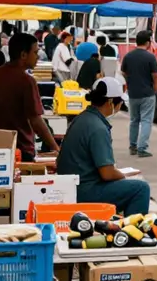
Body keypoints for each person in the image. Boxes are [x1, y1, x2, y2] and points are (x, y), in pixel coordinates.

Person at [57, 78, 150, 217]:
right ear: (111, 102)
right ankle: (131, 233)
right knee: (141, 188)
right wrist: (124, 176)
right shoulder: (98, 128)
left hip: (73, 185)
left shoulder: (82, 118)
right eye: (120, 102)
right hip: (85, 191)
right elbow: (107, 173)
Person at [0, 33, 60, 161]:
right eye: (35, 52)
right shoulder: (27, 81)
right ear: (23, 55)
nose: (38, 56)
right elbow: (36, 120)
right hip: (20, 150)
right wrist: (56, 147)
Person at [120, 30, 157, 158]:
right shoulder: (150, 57)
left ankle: (132, 146)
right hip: (147, 93)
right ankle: (142, 148)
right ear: (148, 42)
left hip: (133, 93)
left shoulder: (128, 56)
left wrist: (130, 82)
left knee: (134, 120)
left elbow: (123, 72)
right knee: (146, 121)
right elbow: (155, 76)